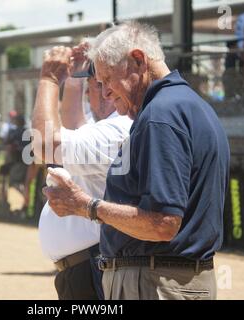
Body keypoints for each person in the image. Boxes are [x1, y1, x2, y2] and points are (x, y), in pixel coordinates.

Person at [44, 22, 230, 300]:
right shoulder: (186, 104)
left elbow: (162, 223)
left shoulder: (161, 114)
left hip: (156, 282)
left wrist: (86, 206)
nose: (105, 92)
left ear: (139, 60)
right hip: (167, 279)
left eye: (107, 80)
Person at [32, 42, 132, 300]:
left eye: (96, 83)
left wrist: (50, 78)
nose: (91, 93)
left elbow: (46, 145)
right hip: (85, 267)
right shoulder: (110, 125)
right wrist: (74, 76)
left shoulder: (120, 126)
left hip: (94, 266)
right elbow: (73, 124)